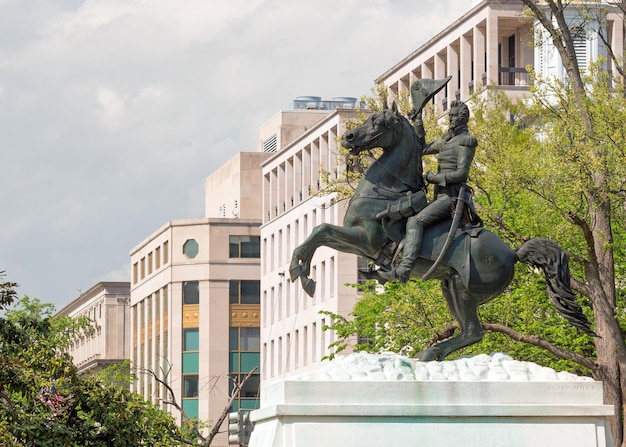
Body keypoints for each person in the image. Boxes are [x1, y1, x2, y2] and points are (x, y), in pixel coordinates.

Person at [377, 100, 477, 283]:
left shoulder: (466, 141)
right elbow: (422, 148)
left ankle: (404, 270)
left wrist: (434, 178)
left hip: (452, 197)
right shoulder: (447, 140)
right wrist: (418, 121)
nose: (451, 119)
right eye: (450, 116)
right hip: (439, 195)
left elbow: (462, 173)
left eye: (454, 116)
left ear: (463, 118)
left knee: (415, 222)